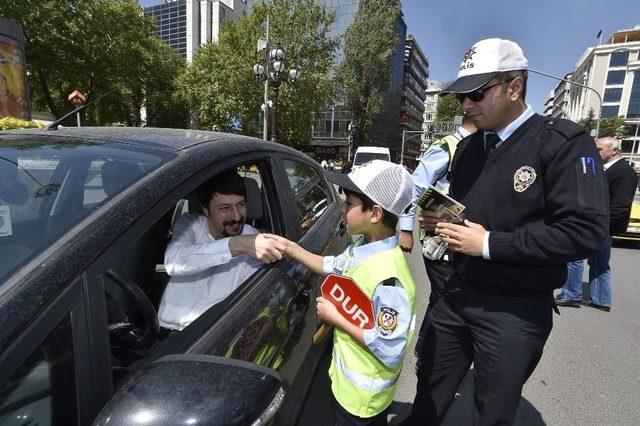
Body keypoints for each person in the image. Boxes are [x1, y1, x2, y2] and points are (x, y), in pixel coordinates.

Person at [402, 38, 609, 425]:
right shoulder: (467, 149)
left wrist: (490, 244)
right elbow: (471, 214)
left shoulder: (562, 141)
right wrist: (443, 223)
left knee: (492, 411)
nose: (466, 105)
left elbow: (586, 232)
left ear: (515, 88)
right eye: (462, 95)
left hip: (514, 308)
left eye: (477, 93)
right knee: (428, 391)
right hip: (456, 293)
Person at [266, 160, 417, 426]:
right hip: (348, 386)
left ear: (375, 214)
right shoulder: (362, 246)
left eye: (349, 204)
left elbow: (388, 348)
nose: (342, 207)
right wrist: (291, 248)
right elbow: (329, 265)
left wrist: (335, 317)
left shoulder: (389, 278)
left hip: (363, 400)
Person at [157, 169, 285, 333]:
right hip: (161, 330)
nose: (237, 216)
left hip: (204, 338)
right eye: (225, 208)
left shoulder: (255, 240)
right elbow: (173, 261)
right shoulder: (191, 224)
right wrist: (235, 245)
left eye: (241, 205)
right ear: (206, 210)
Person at [399, 114, 477, 306]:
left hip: (463, 235)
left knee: (447, 300)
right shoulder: (446, 146)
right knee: (446, 300)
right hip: (438, 239)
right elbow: (414, 189)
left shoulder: (481, 148)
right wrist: (406, 229)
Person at [556, 137, 638, 312]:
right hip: (597, 225)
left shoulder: (624, 172)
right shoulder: (604, 168)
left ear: (614, 151)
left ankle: (572, 295)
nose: (595, 152)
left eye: (599, 149)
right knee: (599, 263)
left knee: (575, 258)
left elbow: (620, 205)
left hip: (598, 226)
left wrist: (598, 225)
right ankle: (600, 300)